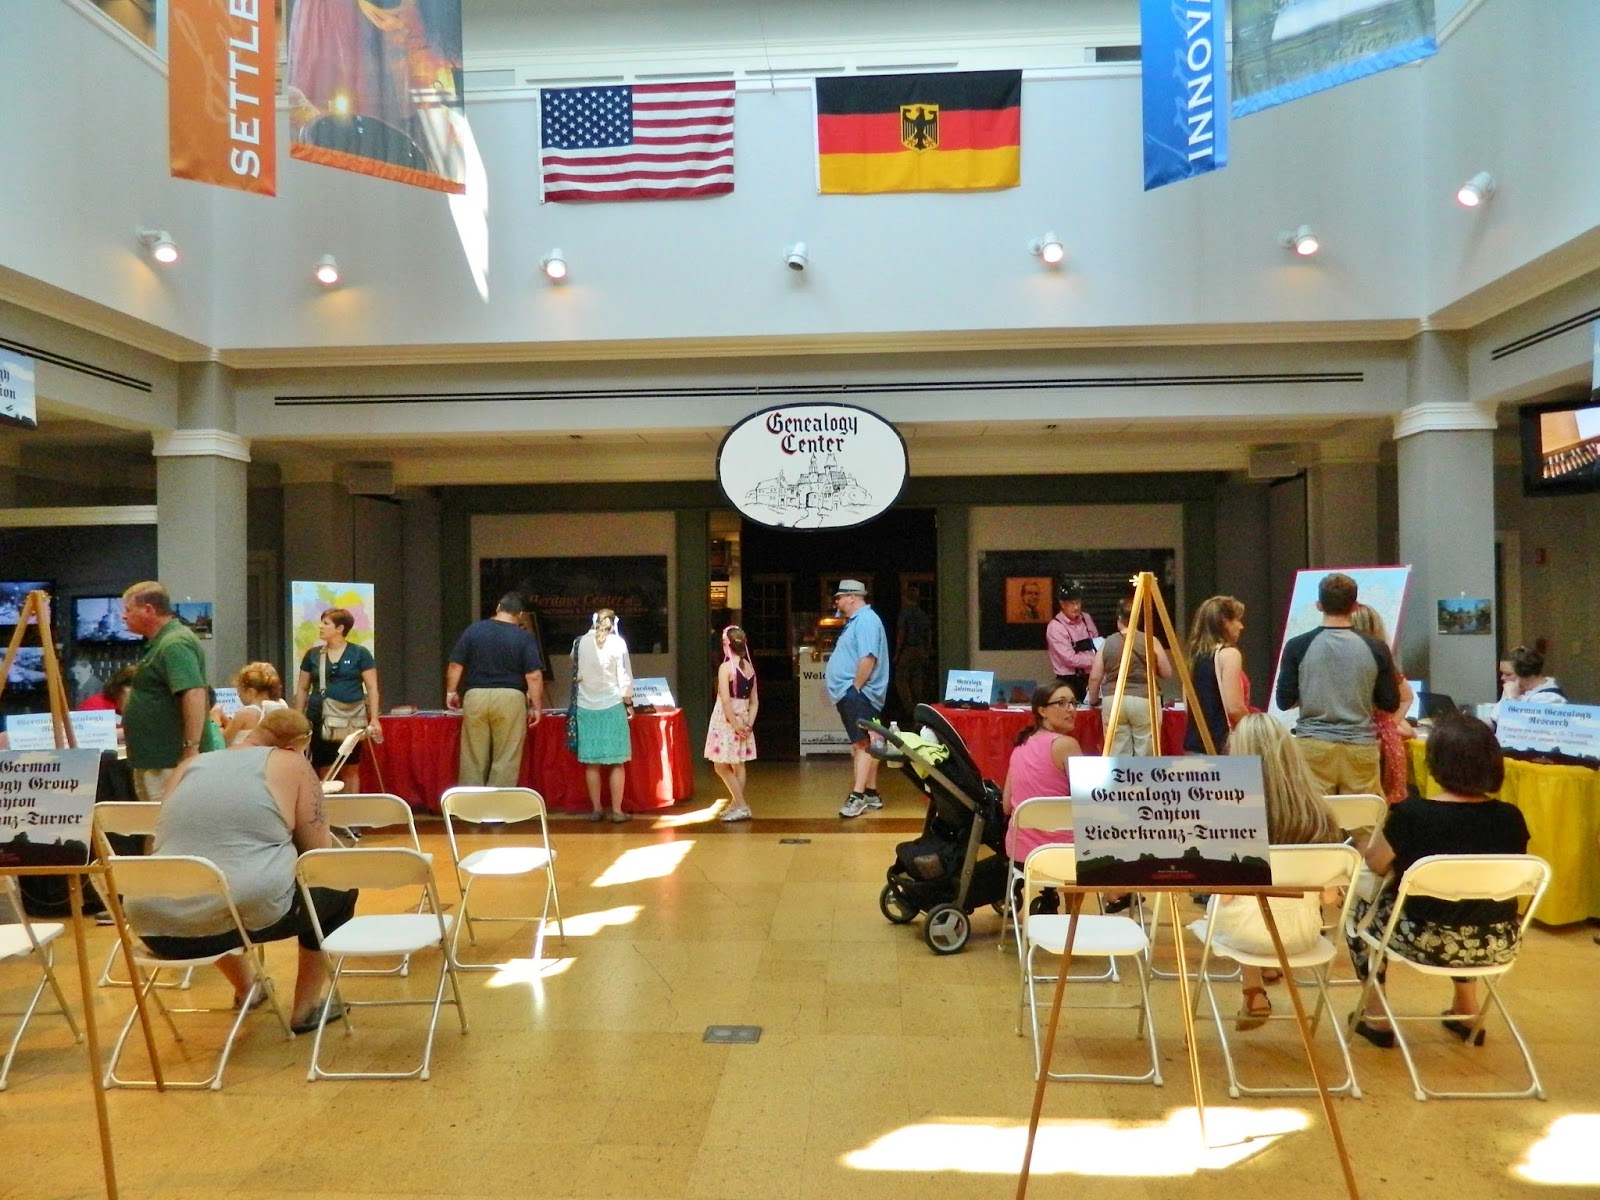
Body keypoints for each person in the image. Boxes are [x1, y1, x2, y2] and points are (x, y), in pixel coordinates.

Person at [122, 708, 357, 1034]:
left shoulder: (189, 766)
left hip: (155, 926)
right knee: (338, 887)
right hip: (240, 918)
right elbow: (319, 859)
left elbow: (163, 837)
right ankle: (306, 1008)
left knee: (205, 893)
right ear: (295, 746)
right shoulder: (292, 763)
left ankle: (249, 989)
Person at [1346, 714, 1531, 1049]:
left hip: (1426, 940)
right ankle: (1467, 1009)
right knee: (1473, 902)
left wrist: (1359, 844)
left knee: (1359, 905)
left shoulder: (1412, 815)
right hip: (1497, 940)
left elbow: (1376, 864)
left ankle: (1376, 1014)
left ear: (1434, 763)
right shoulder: (1510, 818)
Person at [1211, 714, 1342, 1028]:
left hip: (1246, 935)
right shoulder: (1320, 814)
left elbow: (1227, 897)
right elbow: (1329, 897)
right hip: (1303, 936)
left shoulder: (1231, 811)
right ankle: (1269, 972)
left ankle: (1253, 990)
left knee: (1239, 903)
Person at [1275, 573, 1400, 798]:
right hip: (1360, 747)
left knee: (1317, 822)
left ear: (1318, 605)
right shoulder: (1377, 647)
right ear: (1355, 606)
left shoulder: (1297, 646)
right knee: (1364, 823)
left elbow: (1284, 701)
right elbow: (1389, 703)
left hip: (1314, 746)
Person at [120, 582, 209, 804]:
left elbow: (194, 693)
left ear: (148, 609)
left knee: (166, 825)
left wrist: (191, 750)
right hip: (155, 759)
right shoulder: (160, 643)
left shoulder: (174, 643)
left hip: (169, 760)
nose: (124, 617)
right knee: (153, 826)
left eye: (128, 610)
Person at [446, 592, 545, 788]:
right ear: (520, 615)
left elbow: (455, 665)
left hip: (475, 695)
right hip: (510, 697)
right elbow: (533, 675)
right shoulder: (523, 637)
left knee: (473, 756)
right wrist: (536, 706)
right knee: (506, 756)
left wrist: (451, 692)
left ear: (498, 607)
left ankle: (470, 808)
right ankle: (497, 809)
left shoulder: (474, 630)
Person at [293, 607, 381, 795]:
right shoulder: (313, 655)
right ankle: (329, 816)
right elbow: (302, 688)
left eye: (326, 623)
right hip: (319, 717)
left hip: (351, 719)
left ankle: (352, 816)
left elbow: (372, 687)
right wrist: (298, 717)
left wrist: (374, 718)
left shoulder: (360, 653)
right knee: (324, 767)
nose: (320, 627)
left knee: (351, 767)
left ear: (340, 628)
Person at [1001, 683, 1083, 877]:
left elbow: (1006, 806)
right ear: (1042, 711)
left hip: (1019, 853)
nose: (1071, 710)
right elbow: (1090, 802)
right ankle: (1114, 893)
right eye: (1061, 703)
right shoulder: (1066, 745)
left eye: (1073, 703)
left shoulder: (1019, 746)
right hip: (1062, 852)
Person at [827, 580, 891, 819]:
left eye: (839, 598)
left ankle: (858, 796)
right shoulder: (861, 620)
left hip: (859, 694)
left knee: (861, 744)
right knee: (869, 742)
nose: (837, 602)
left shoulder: (865, 620)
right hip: (858, 693)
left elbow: (868, 657)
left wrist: (855, 688)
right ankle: (871, 792)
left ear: (852, 597)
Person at [1086, 597, 1173, 755]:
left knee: (1117, 753)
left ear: (1119, 618)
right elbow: (1167, 673)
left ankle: (1121, 779)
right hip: (1145, 698)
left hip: (1114, 700)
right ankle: (1144, 779)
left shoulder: (1108, 643)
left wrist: (1093, 700)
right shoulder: (1151, 641)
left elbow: (1094, 677)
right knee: (1146, 753)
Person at [1348, 604, 1416, 804]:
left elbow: (1406, 696)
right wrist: (1390, 724)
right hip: (1373, 736)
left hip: (1369, 739)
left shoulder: (1377, 662)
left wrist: (1386, 725)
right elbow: (1407, 697)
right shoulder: (1382, 661)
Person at [573, 608, 633, 823]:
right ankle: (617, 811)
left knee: (592, 763)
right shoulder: (618, 643)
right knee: (617, 762)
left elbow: (576, 668)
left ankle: (597, 809)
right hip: (612, 704)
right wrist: (629, 703)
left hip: (586, 706)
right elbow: (624, 677)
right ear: (614, 622)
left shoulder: (579, 642)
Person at [705, 625, 759, 822]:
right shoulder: (749, 668)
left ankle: (741, 805)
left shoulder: (725, 668)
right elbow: (755, 701)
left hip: (726, 720)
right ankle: (736, 804)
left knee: (720, 765)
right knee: (738, 764)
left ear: (726, 644)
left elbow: (725, 700)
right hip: (744, 718)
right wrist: (748, 725)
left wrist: (735, 725)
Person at [1183, 595, 1249, 755]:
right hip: (1222, 746)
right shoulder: (1229, 654)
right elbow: (1234, 708)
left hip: (1194, 744)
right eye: (1238, 620)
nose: (1241, 626)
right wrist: (1256, 730)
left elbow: (1188, 704)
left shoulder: (1194, 657)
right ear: (1225, 621)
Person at [1045, 582, 1099, 702]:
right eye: (1072, 603)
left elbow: (1096, 643)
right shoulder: (1055, 627)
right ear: (1062, 604)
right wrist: (1096, 661)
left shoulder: (1086, 618)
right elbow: (1069, 658)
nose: (1076, 607)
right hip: (1069, 680)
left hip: (1091, 677)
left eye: (1078, 602)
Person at [218, 662, 289, 747]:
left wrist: (216, 722)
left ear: (251, 692)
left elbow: (223, 741)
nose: (239, 696)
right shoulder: (279, 708)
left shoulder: (246, 713)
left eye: (240, 692)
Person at [1493, 645, 1566, 726]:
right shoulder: (1514, 688)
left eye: (1508, 674)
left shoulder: (1551, 698)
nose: (1502, 678)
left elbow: (1521, 727)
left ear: (1526, 674)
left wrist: (1511, 699)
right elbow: (1494, 719)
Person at [893, 584, 933, 714]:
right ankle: (919, 705)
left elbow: (902, 633)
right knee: (917, 678)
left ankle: (909, 708)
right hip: (921, 649)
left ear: (906, 597)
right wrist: (927, 649)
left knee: (901, 679)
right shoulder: (922, 613)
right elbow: (928, 633)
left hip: (908, 649)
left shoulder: (905, 613)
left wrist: (897, 653)